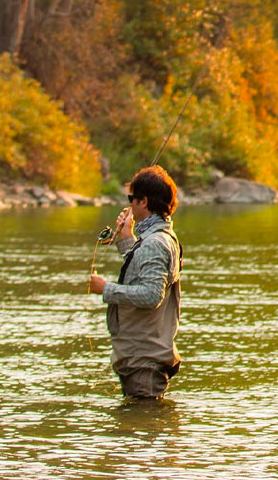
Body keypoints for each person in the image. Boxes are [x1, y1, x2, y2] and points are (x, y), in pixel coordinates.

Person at [89, 165, 183, 401]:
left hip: (144, 359)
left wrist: (106, 289)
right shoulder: (158, 239)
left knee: (144, 429)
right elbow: (144, 269)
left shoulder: (154, 243)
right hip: (142, 356)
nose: (129, 204)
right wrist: (127, 239)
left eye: (132, 199)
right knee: (142, 428)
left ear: (144, 202)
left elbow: (152, 295)